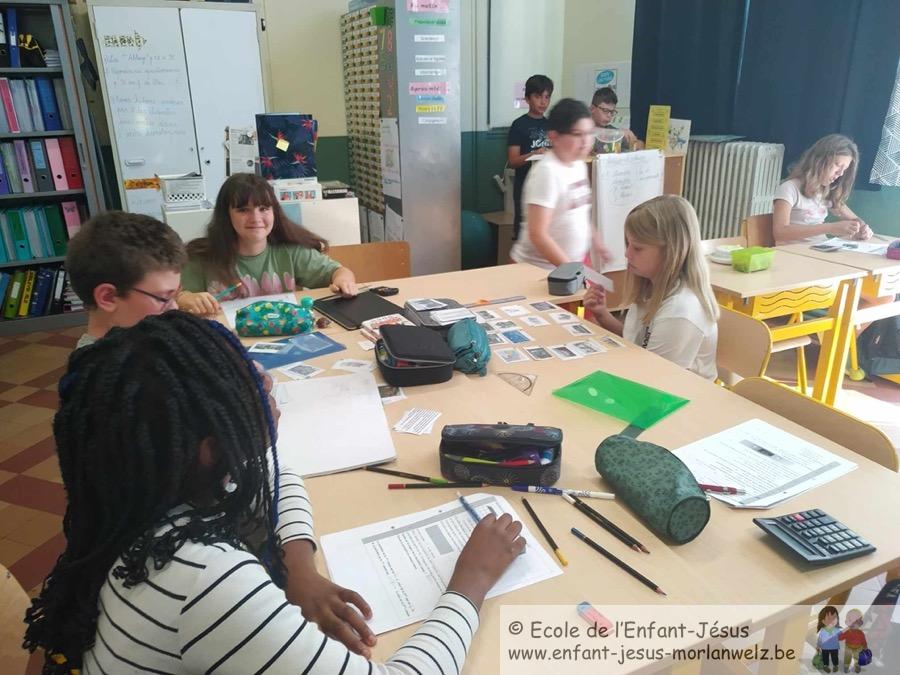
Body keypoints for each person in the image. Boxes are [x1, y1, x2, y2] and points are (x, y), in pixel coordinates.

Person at [23, 312, 525, 673]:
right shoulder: (204, 579)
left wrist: (297, 567)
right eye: (244, 382)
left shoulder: (139, 492)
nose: (265, 381)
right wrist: (471, 581)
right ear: (211, 450)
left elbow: (273, 468)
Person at [178, 174, 358, 316]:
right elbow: (174, 298)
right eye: (243, 210)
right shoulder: (201, 258)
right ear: (227, 215)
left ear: (274, 213)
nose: (256, 218)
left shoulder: (291, 251)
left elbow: (339, 272)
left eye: (263, 209)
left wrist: (343, 281)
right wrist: (185, 299)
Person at [584, 195, 719, 380]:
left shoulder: (680, 311)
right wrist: (602, 315)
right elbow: (638, 343)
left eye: (637, 248)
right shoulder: (652, 287)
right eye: (628, 244)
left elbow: (653, 379)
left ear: (671, 251)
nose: (627, 254)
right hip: (650, 380)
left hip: (675, 392)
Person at [66, 210, 186, 350]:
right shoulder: (108, 361)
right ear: (108, 297)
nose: (175, 308)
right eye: (163, 298)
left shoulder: (145, 341)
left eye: (175, 295)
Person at [510, 98, 605, 271]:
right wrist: (571, 270)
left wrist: (596, 241)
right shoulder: (547, 172)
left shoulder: (578, 164)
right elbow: (538, 234)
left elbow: (579, 211)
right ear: (554, 137)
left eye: (589, 133)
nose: (586, 141)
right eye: (577, 134)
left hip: (567, 267)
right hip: (537, 270)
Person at [773, 134, 872, 245]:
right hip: (793, 252)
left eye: (844, 169)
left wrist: (862, 229)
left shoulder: (827, 191)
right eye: (837, 165)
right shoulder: (789, 188)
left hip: (819, 249)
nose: (840, 173)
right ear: (819, 161)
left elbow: (855, 220)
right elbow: (780, 232)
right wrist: (830, 228)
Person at [507, 74, 554, 239]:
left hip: (547, 184)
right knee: (524, 228)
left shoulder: (551, 125)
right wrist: (533, 154)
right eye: (538, 96)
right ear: (527, 98)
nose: (543, 102)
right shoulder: (518, 125)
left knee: (545, 228)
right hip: (525, 185)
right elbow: (512, 161)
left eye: (547, 97)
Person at [590, 87, 641, 152]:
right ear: (592, 109)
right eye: (605, 110)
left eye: (612, 112)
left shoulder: (611, 129)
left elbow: (639, 145)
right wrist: (616, 133)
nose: (609, 115)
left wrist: (634, 141)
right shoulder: (581, 126)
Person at [840, 608, 868, 673]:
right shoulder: (847, 631)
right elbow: (840, 638)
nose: (852, 624)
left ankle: (857, 666)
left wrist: (865, 646)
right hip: (848, 647)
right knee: (847, 658)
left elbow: (863, 640)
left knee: (857, 658)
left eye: (856, 622)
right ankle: (846, 667)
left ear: (860, 623)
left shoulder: (860, 633)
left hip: (858, 648)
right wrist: (842, 632)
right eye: (849, 620)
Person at [816, 605, 842, 673]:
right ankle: (825, 666)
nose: (832, 621)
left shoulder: (837, 630)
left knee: (835, 657)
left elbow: (842, 636)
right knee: (825, 657)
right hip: (825, 647)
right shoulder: (823, 630)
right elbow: (820, 639)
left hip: (834, 647)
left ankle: (835, 666)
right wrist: (818, 646)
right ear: (823, 620)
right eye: (829, 618)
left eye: (834, 618)